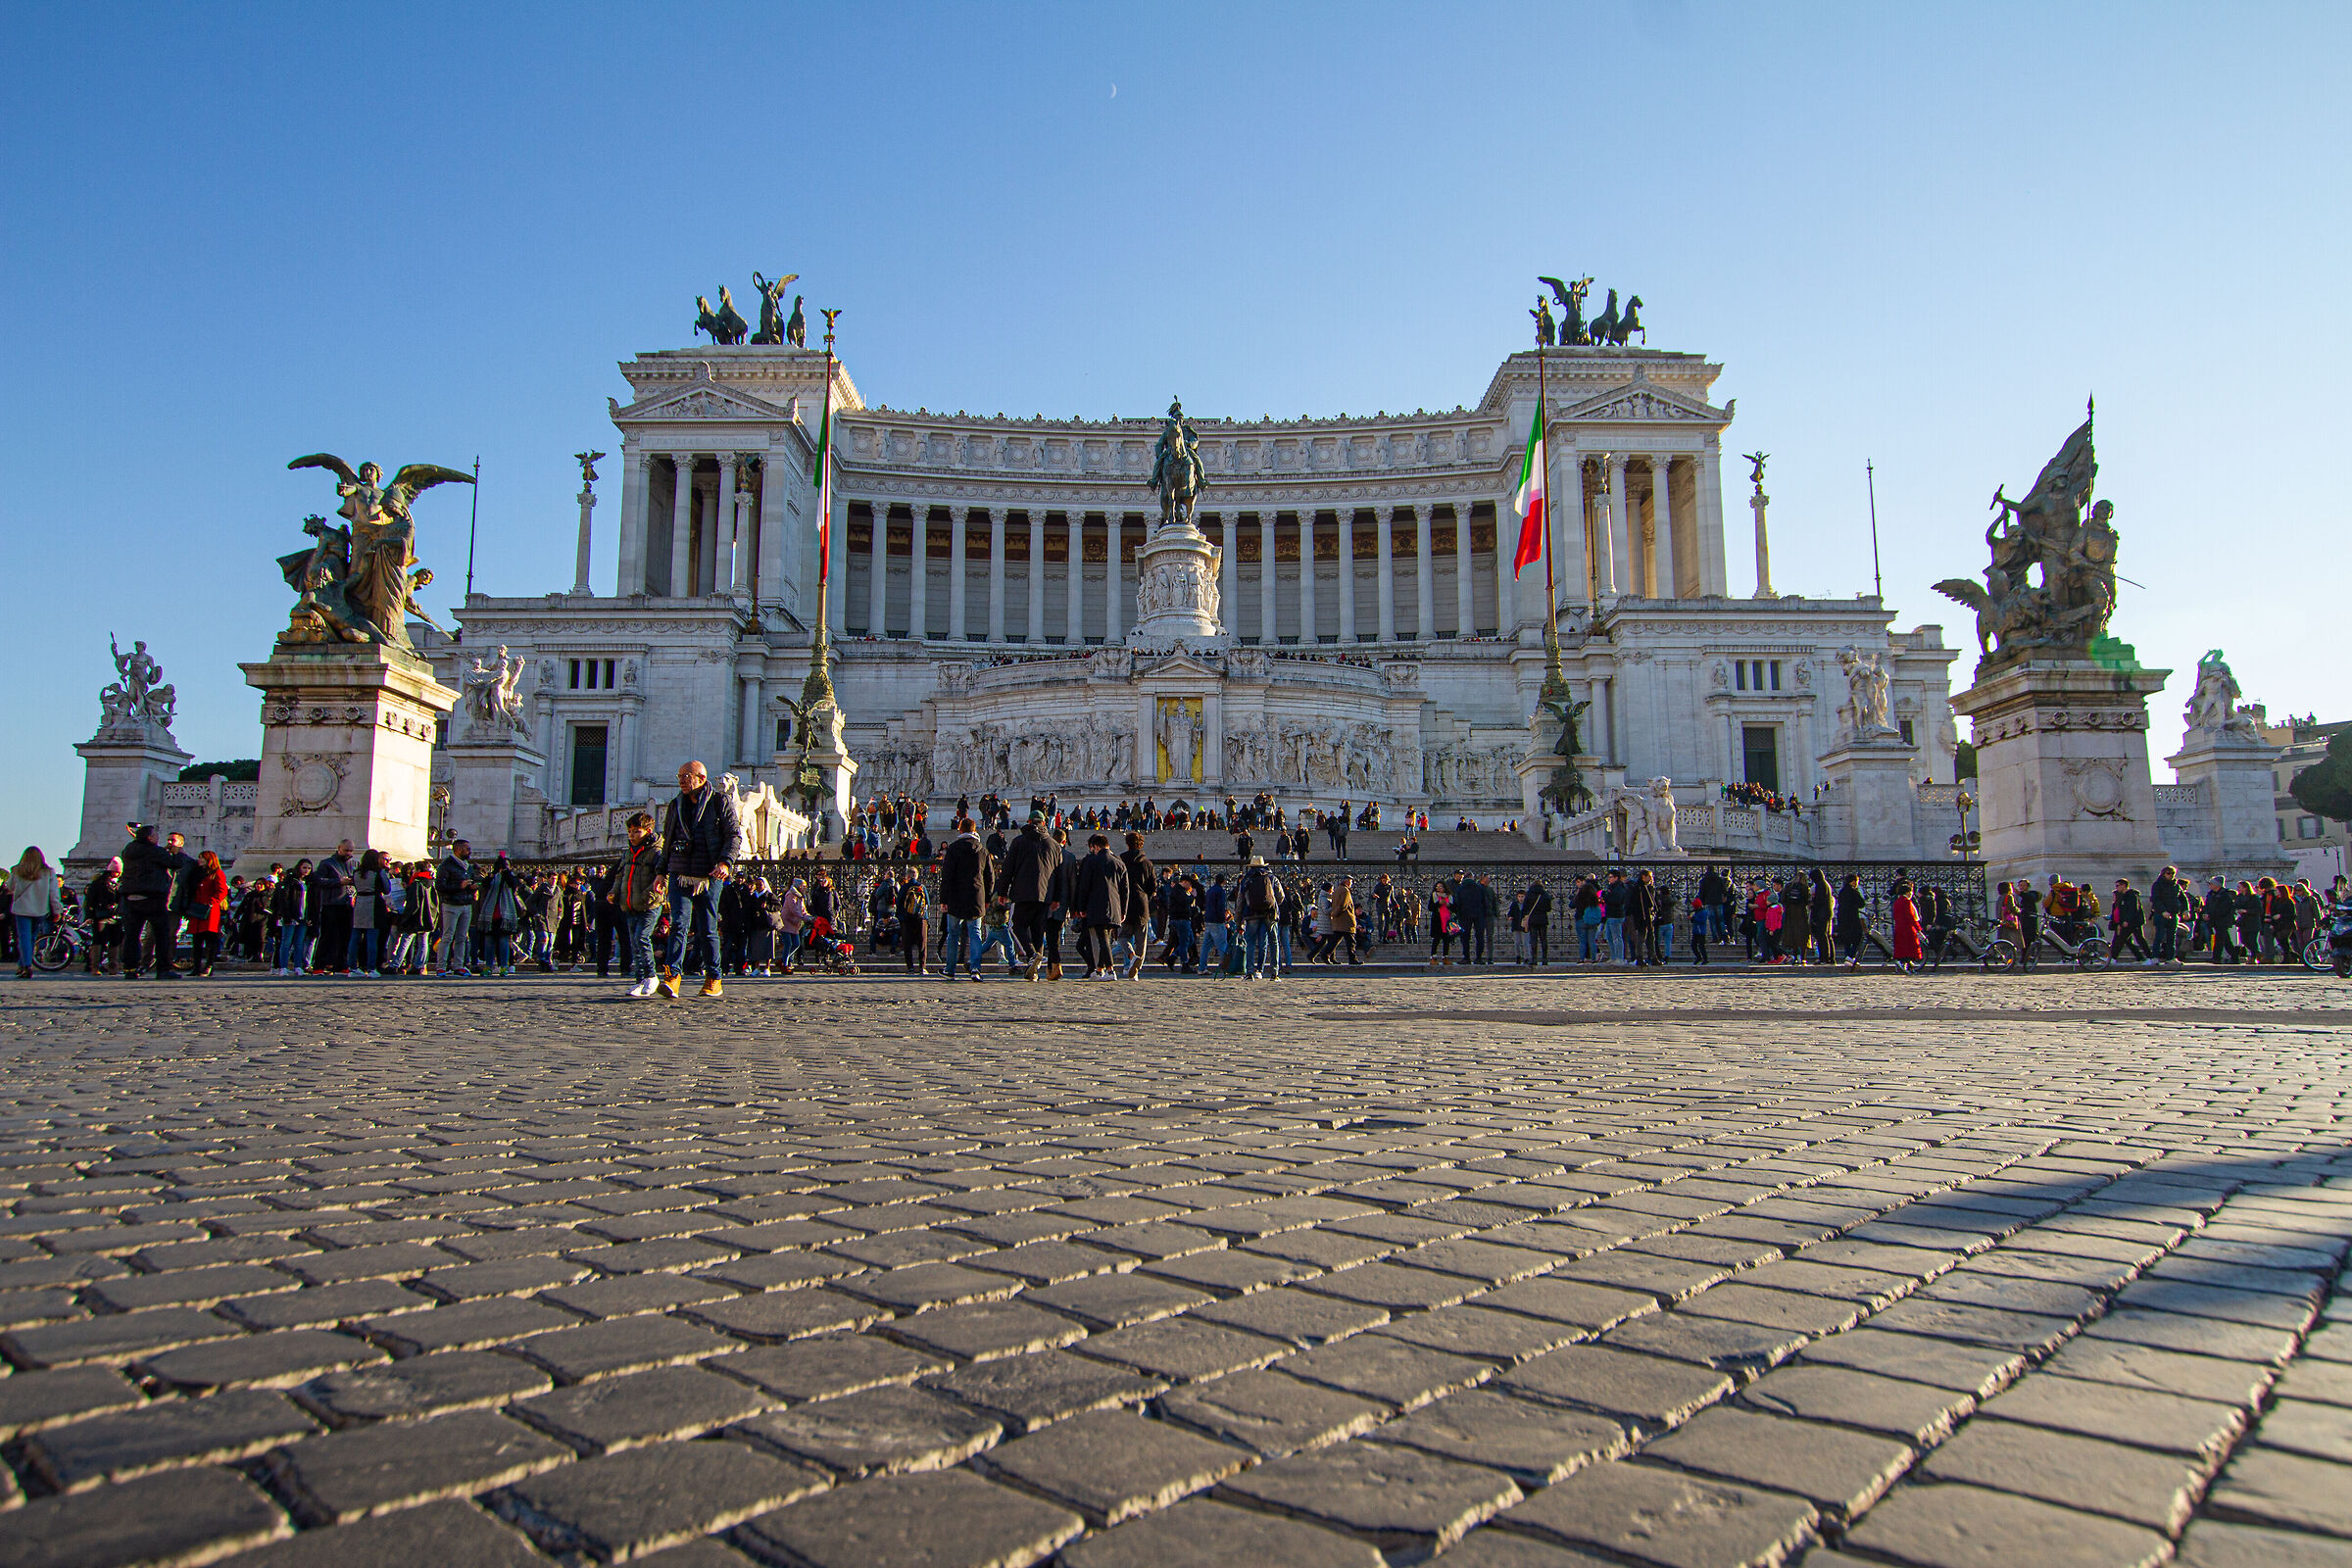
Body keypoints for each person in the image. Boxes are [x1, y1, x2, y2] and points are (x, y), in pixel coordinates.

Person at [657, 760, 739, 999]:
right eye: (680, 776)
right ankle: (672, 977)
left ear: (702, 778)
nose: (682, 780)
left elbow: (733, 835)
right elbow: (668, 840)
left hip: (709, 874)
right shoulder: (676, 805)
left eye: (687, 776)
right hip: (679, 873)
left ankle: (714, 978)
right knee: (678, 925)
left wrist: (726, 862)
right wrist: (661, 871)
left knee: (707, 928)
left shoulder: (719, 802)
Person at [1003, 810, 1062, 982]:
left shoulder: (1019, 841)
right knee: (1037, 931)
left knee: (1014, 925)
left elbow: (1008, 868)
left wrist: (1001, 892)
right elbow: (1057, 874)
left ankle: (1031, 955)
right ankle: (1034, 970)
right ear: (1044, 823)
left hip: (1022, 893)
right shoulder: (1054, 844)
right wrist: (1056, 897)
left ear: (1029, 822)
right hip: (1045, 896)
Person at [611, 810, 663, 998]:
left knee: (642, 937)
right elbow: (620, 876)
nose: (632, 836)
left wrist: (648, 895)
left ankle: (651, 976)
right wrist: (614, 892)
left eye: (636, 832)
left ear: (648, 831)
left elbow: (662, 876)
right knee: (634, 943)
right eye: (630, 832)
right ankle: (639, 980)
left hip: (650, 904)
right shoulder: (628, 853)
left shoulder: (656, 852)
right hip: (630, 903)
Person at [118, 824, 179, 978]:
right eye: (156, 835)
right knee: (161, 934)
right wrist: (177, 852)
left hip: (130, 896)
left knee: (132, 935)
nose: (158, 838)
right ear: (150, 838)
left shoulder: (128, 851)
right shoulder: (154, 851)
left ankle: (130, 970)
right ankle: (163, 969)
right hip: (152, 897)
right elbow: (175, 864)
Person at [939, 815, 991, 981]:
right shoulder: (982, 849)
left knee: (953, 934)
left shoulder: (953, 848)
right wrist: (987, 897)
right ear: (975, 830)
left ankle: (950, 969)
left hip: (956, 895)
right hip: (976, 896)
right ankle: (975, 968)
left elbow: (947, 876)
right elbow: (990, 877)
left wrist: (943, 899)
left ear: (960, 829)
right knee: (975, 934)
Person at [1071, 833, 1129, 979]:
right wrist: (1124, 910)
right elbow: (1125, 890)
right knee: (1106, 938)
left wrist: (1081, 907)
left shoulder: (1092, 862)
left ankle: (1110, 970)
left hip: (1096, 906)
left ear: (1096, 847)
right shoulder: (1119, 863)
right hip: (1115, 907)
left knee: (1103, 939)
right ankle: (1098, 970)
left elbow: (1085, 886)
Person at [6, 849, 63, 978]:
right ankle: (24, 963)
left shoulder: (17, 871)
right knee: (32, 937)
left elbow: (9, 887)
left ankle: (26, 965)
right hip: (40, 909)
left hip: (22, 908)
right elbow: (54, 893)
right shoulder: (48, 872)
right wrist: (57, 910)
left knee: (24, 937)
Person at [312, 841, 356, 974]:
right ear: (339, 849)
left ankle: (341, 964)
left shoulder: (353, 864)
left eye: (351, 851)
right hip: (330, 904)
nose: (348, 853)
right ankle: (319, 965)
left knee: (345, 936)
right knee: (327, 936)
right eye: (346, 850)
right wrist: (338, 882)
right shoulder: (327, 863)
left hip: (347, 904)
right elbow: (319, 881)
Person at [435, 840, 478, 975]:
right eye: (467, 849)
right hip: (451, 904)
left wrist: (472, 888)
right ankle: (441, 965)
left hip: (466, 904)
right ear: (458, 849)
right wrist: (460, 886)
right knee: (447, 936)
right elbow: (440, 886)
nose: (469, 851)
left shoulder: (468, 867)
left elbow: (468, 883)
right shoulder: (446, 866)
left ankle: (458, 965)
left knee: (462, 937)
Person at [183, 851, 229, 976]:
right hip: (196, 908)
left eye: (202, 858)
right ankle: (196, 967)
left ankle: (209, 965)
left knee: (210, 940)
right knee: (197, 940)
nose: (200, 860)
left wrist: (211, 902)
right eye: (199, 858)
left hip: (209, 910)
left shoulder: (217, 873)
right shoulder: (196, 873)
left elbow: (222, 890)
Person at [350, 850, 389, 976]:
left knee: (355, 937)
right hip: (374, 904)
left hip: (360, 903)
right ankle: (371, 967)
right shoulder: (378, 872)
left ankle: (352, 967)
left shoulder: (356, 873)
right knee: (372, 938)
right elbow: (387, 889)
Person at [1889, 879, 1924, 972]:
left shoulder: (1897, 901)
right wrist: (1918, 929)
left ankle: (1907, 965)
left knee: (1902, 948)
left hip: (1899, 928)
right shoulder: (1907, 902)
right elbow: (1911, 917)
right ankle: (1908, 964)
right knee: (1910, 949)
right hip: (1908, 928)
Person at [899, 873, 930, 974]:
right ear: (917, 876)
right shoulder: (922, 887)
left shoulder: (904, 887)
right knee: (922, 943)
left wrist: (901, 916)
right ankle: (922, 967)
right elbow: (927, 903)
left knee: (907, 943)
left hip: (907, 918)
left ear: (907, 876)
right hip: (921, 918)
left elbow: (899, 902)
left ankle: (910, 967)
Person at [1835, 874, 1868, 966]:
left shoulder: (1842, 891)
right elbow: (1862, 903)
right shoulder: (1853, 891)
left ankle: (1848, 957)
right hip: (1852, 917)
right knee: (1858, 937)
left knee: (1847, 939)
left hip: (1843, 918)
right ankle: (1850, 956)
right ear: (1853, 881)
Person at [1525, 880, 1552, 967]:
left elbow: (1525, 907)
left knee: (1533, 940)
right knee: (1543, 939)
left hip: (1533, 919)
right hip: (1543, 919)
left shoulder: (1529, 894)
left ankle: (1534, 959)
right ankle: (1544, 959)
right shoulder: (1545, 894)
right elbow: (1549, 908)